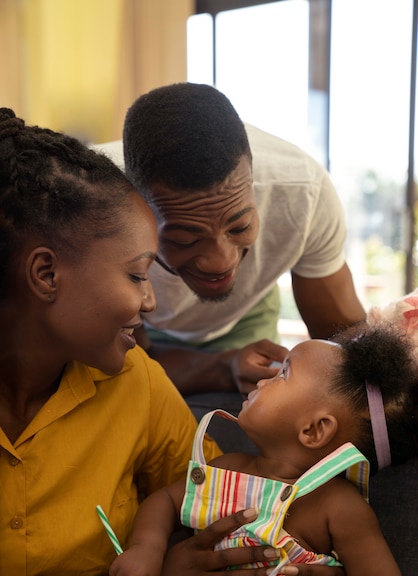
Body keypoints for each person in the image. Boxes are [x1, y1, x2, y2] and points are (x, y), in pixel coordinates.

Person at [0, 107, 357, 576]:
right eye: (138, 274)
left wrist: (305, 573)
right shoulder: (95, 199)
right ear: (46, 272)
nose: (150, 303)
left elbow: (238, 494)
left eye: (237, 225)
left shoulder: (136, 385)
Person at [96, 81, 366, 431]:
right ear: (139, 210)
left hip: (247, 316)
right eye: (185, 239)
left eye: (239, 228)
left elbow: (345, 347)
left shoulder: (302, 194)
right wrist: (224, 367)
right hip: (142, 332)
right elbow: (131, 364)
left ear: (253, 186)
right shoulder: (96, 207)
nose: (219, 262)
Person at [108, 325, 416, 576]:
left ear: (314, 430)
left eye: (284, 374)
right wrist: (146, 548)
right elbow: (165, 500)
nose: (266, 379)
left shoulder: (338, 507)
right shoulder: (225, 469)